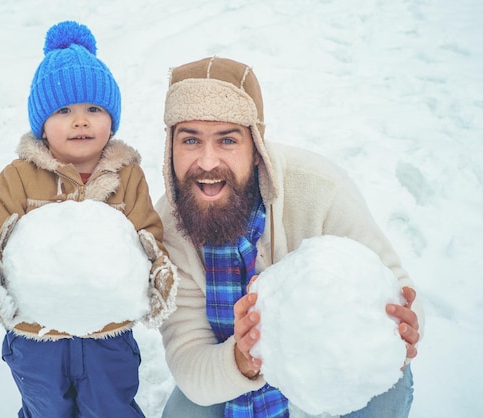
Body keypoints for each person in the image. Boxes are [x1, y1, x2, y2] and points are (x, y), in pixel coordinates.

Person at [155, 56, 423, 417]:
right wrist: (242, 359)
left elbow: (398, 286)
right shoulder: (170, 225)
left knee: (389, 384)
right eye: (190, 140)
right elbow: (189, 359)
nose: (206, 162)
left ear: (256, 150)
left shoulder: (319, 189)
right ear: (171, 149)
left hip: (328, 365)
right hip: (233, 371)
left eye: (227, 140)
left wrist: (405, 322)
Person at [0, 21, 177, 418]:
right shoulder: (19, 177)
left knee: (111, 405)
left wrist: (155, 267)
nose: (80, 121)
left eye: (93, 109)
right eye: (64, 110)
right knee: (46, 408)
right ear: (42, 124)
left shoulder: (126, 176)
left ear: (111, 120)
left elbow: (148, 232)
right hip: (36, 338)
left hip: (107, 334)